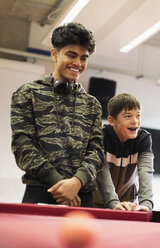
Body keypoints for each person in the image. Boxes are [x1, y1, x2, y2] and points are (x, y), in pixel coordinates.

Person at [11, 22, 104, 207]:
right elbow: (23, 147)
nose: (78, 63)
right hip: (40, 192)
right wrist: (60, 185)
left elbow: (97, 152)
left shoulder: (92, 104)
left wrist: (76, 182)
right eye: (71, 55)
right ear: (54, 54)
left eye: (83, 58)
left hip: (81, 196)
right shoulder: (27, 94)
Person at [93, 93, 154, 211]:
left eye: (138, 116)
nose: (135, 121)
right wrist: (113, 203)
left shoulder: (143, 139)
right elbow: (102, 171)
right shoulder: (100, 137)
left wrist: (146, 203)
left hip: (127, 205)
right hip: (95, 203)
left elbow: (146, 171)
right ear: (112, 120)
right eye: (128, 116)